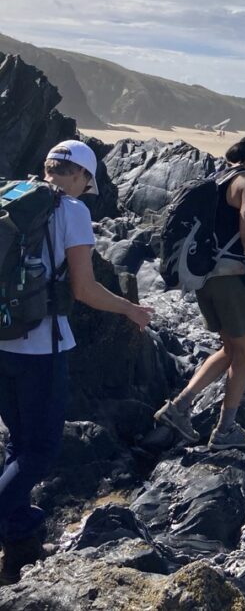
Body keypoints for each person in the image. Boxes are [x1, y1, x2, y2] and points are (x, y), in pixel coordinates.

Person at [0, 140, 153, 585]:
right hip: (39, 347)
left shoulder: (9, 195)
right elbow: (84, 289)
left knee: (18, 445)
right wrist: (130, 309)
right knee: (41, 450)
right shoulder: (71, 211)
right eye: (89, 180)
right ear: (83, 177)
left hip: (1, 340)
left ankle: (20, 546)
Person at [154, 131, 245, 451]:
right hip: (231, 279)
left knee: (229, 350)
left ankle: (179, 407)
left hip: (206, 279)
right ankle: (225, 431)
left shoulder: (220, 178)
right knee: (244, 355)